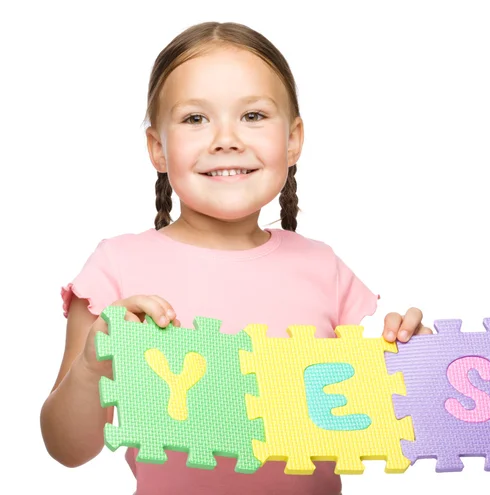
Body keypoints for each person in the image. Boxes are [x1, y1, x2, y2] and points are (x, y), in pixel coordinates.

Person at [40, 21, 432, 495]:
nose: (226, 139)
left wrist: (420, 363)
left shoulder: (324, 269)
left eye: (253, 116)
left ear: (293, 140)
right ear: (157, 148)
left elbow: (390, 418)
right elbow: (67, 448)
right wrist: (93, 365)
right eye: (195, 119)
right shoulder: (115, 269)